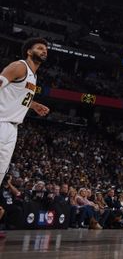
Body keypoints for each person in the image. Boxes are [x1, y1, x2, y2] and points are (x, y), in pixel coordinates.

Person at [0, 37, 50, 238]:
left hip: (12, 128)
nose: (44, 51)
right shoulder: (19, 66)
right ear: (29, 51)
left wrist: (33, 104)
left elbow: (17, 95)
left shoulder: (33, 76)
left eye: (46, 49)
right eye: (40, 48)